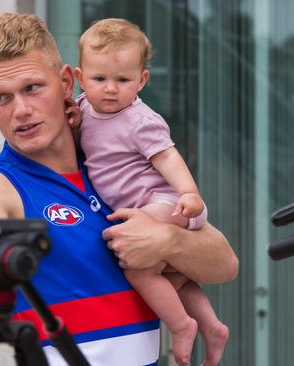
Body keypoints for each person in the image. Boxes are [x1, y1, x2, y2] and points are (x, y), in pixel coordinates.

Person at [0, 12, 238, 366]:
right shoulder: (3, 185)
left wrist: (166, 241)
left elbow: (225, 265)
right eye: (2, 98)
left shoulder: (114, 160)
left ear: (67, 82)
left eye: (33, 88)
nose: (22, 110)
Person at [72, 18, 229, 366]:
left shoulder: (139, 120)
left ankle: (180, 326)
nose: (110, 89)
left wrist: (189, 193)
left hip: (166, 203)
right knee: (175, 276)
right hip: (151, 207)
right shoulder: (83, 109)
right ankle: (212, 325)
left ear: (141, 80)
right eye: (100, 79)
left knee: (136, 266)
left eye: (123, 80)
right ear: (81, 79)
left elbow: (168, 157)